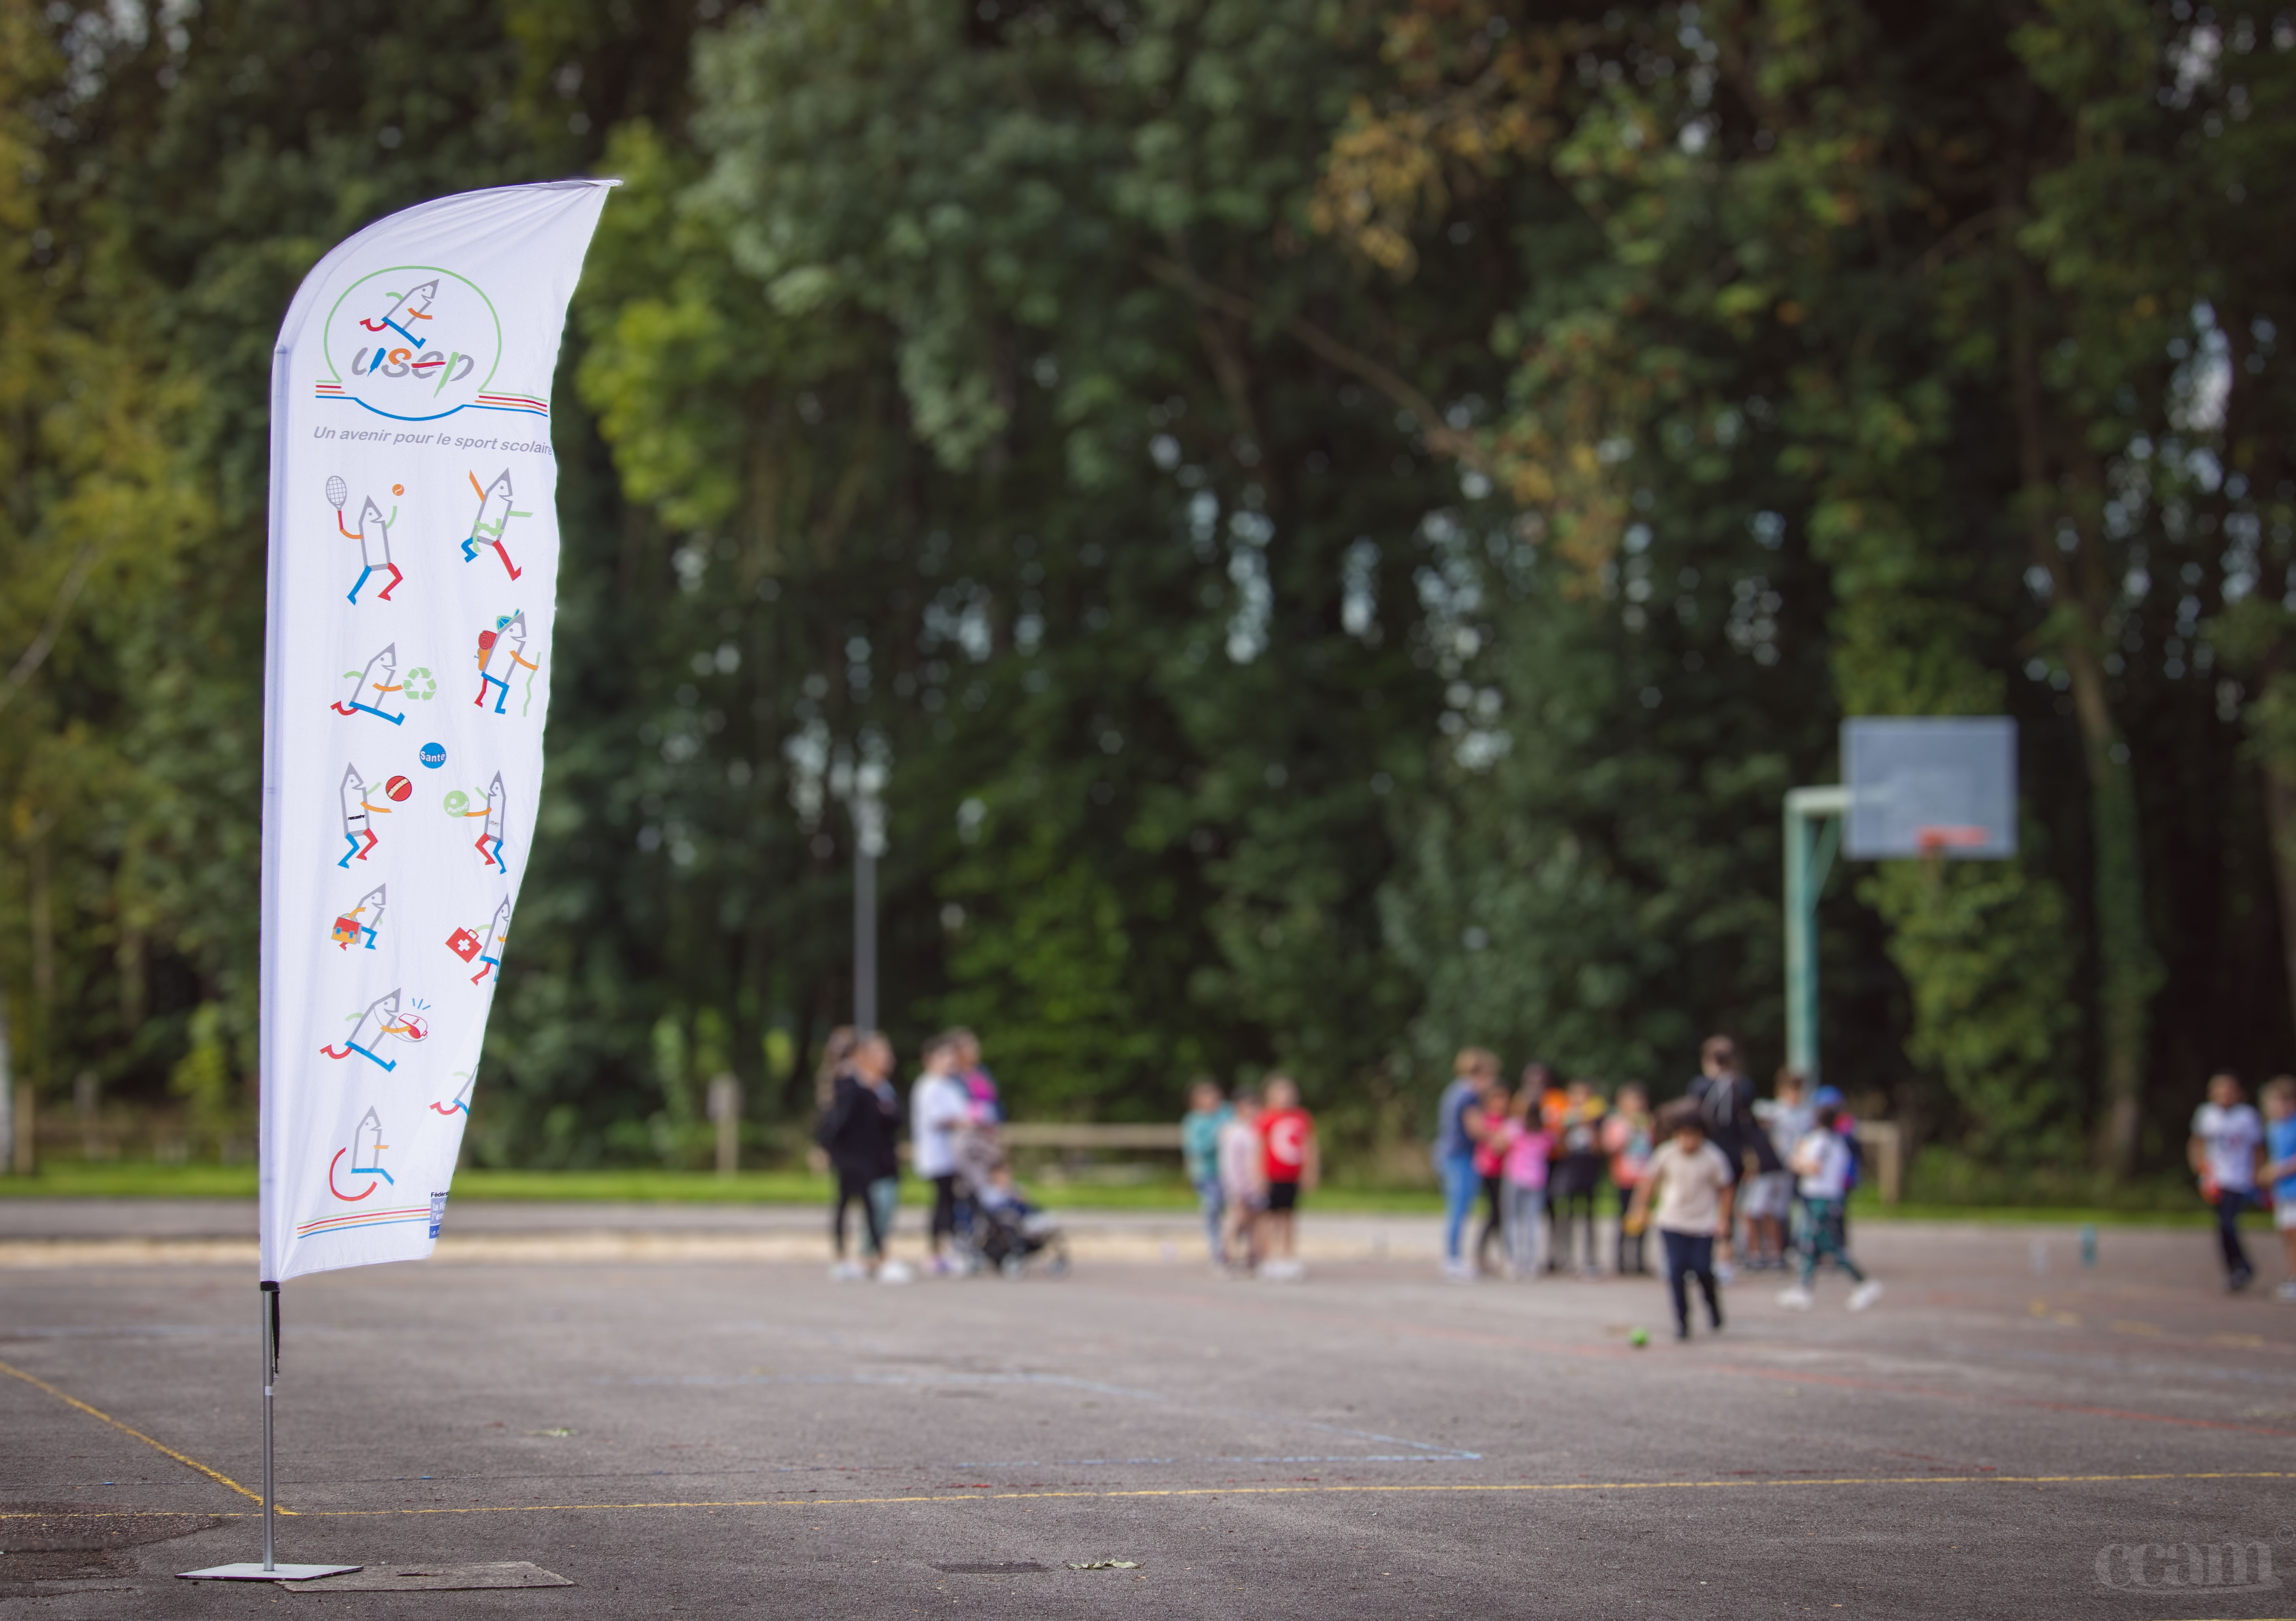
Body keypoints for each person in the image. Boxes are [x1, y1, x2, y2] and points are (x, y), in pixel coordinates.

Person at [1623, 1100, 1734, 1340]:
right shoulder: (1666, 1154)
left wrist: (1724, 1219)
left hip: (1703, 1223)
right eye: (1682, 1136)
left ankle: (1712, 1306)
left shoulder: (1713, 1157)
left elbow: (1726, 1189)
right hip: (1672, 1221)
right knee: (1676, 1271)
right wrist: (1639, 1208)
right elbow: (1649, 1183)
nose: (1688, 1142)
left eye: (1693, 1136)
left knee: (1703, 1268)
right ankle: (1682, 1322)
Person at [820, 1031, 908, 1283]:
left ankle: (873, 1255)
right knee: (849, 1204)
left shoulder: (879, 1087)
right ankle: (847, 1256)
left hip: (873, 1153)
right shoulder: (850, 1084)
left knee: (872, 1206)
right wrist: (824, 1146)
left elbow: (893, 1118)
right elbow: (838, 1119)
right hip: (852, 1154)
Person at [1778, 1101, 1883, 1311]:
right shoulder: (1838, 1142)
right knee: (1810, 1243)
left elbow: (1812, 1167)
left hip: (1821, 1199)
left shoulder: (1821, 1142)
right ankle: (1804, 1288)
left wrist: (1796, 1159)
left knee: (1826, 1244)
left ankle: (1862, 1282)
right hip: (1828, 1197)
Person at [2189, 1071, 2266, 1293]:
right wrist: (2201, 1170)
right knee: (2222, 1227)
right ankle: (2236, 1270)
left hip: (2240, 1178)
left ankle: (2242, 1267)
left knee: (2228, 1223)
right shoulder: (2207, 1114)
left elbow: (2258, 1148)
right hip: (2216, 1179)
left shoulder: (2247, 1116)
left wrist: (2257, 1174)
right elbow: (2197, 1144)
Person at [909, 1037, 972, 1276]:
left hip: (954, 1155)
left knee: (951, 1202)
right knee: (942, 1204)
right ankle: (937, 1252)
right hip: (937, 1155)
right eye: (945, 1058)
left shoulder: (949, 1085)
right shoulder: (929, 1086)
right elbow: (938, 1119)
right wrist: (962, 1121)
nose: (950, 1062)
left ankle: (950, 1248)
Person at [1436, 1050, 1496, 1282]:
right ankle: (1453, 1259)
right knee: (1459, 1209)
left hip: (1449, 1154)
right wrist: (1500, 1136)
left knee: (1457, 1209)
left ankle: (1453, 1257)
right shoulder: (1469, 1095)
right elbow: (1476, 1128)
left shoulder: (1454, 1090)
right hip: (1460, 1156)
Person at [1745, 1068, 1811, 1270]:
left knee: (1778, 1213)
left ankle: (1776, 1254)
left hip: (1786, 1171)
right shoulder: (1774, 1111)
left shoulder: (1804, 1115)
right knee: (1754, 1210)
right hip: (1768, 1169)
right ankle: (1755, 1253)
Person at [1256, 1074, 1318, 1282]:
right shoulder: (1265, 1118)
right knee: (1268, 1218)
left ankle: (1288, 1257)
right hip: (1272, 1176)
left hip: (1292, 1176)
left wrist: (1310, 1172)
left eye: (1289, 1091)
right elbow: (1259, 1149)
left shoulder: (1302, 1118)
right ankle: (1269, 1258)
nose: (1286, 1096)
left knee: (1289, 1217)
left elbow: (1310, 1147)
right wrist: (1259, 1175)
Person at [1549, 1079, 1609, 1276]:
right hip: (1571, 1171)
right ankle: (1565, 1256)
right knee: (1567, 1216)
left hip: (1589, 1171)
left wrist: (1591, 1124)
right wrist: (1568, 1125)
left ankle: (1590, 1258)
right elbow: (1560, 1147)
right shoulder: (1567, 1119)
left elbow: (1601, 1148)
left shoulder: (1597, 1119)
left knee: (1589, 1217)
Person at [1603, 1083, 1655, 1275]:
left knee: (1642, 1219)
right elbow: (1611, 1148)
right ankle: (1622, 1260)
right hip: (1625, 1177)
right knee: (1624, 1219)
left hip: (1644, 1178)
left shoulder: (1647, 1122)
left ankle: (1640, 1259)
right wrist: (1630, 1130)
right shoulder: (1616, 1123)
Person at [1499, 1088, 1551, 1279]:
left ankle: (1513, 1261)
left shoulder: (1514, 1127)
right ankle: (1530, 1262)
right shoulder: (1544, 1132)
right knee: (1532, 1222)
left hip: (1515, 1178)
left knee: (1512, 1220)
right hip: (1537, 1180)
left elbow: (1499, 1144)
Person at [1181, 1078, 1233, 1268]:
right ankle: (1216, 1249)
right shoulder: (1194, 1121)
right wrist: (1217, 1137)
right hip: (1207, 1173)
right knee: (1212, 1209)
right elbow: (1196, 1149)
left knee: (1235, 1212)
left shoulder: (1228, 1112)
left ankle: (1232, 1247)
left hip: (1230, 1172)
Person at [1218, 1087, 1267, 1272]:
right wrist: (1237, 1188)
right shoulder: (1233, 1132)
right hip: (1239, 1186)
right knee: (1235, 1220)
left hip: (1256, 1186)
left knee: (1254, 1222)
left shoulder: (1257, 1131)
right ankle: (1225, 1255)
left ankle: (1252, 1256)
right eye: (1249, 1106)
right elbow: (1230, 1165)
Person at [2260, 1075, 2296, 1303]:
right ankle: (2293, 1277)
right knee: (2287, 1236)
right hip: (2282, 1192)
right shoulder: (2273, 1128)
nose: (2276, 1106)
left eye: (2281, 1101)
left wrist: (2279, 1170)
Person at [1473, 1082, 1513, 1276]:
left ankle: (1491, 1253)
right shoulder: (1488, 1120)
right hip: (1489, 1171)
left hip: (1504, 1172)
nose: (1502, 1103)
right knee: (1495, 1213)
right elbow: (1498, 1145)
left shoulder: (1507, 1120)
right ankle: (1482, 1253)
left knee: (1500, 1214)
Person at [951, 1027, 1003, 1123]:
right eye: (968, 1045)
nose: (975, 1048)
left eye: (975, 1043)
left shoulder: (982, 1071)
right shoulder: (952, 1078)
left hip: (991, 1128)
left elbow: (996, 1102)